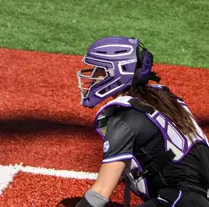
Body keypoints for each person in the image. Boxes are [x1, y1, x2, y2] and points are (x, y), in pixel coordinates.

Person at [74, 36, 209, 207]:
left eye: (99, 69)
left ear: (116, 71)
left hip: (177, 201)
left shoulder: (124, 119)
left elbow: (100, 193)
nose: (92, 77)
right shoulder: (166, 99)